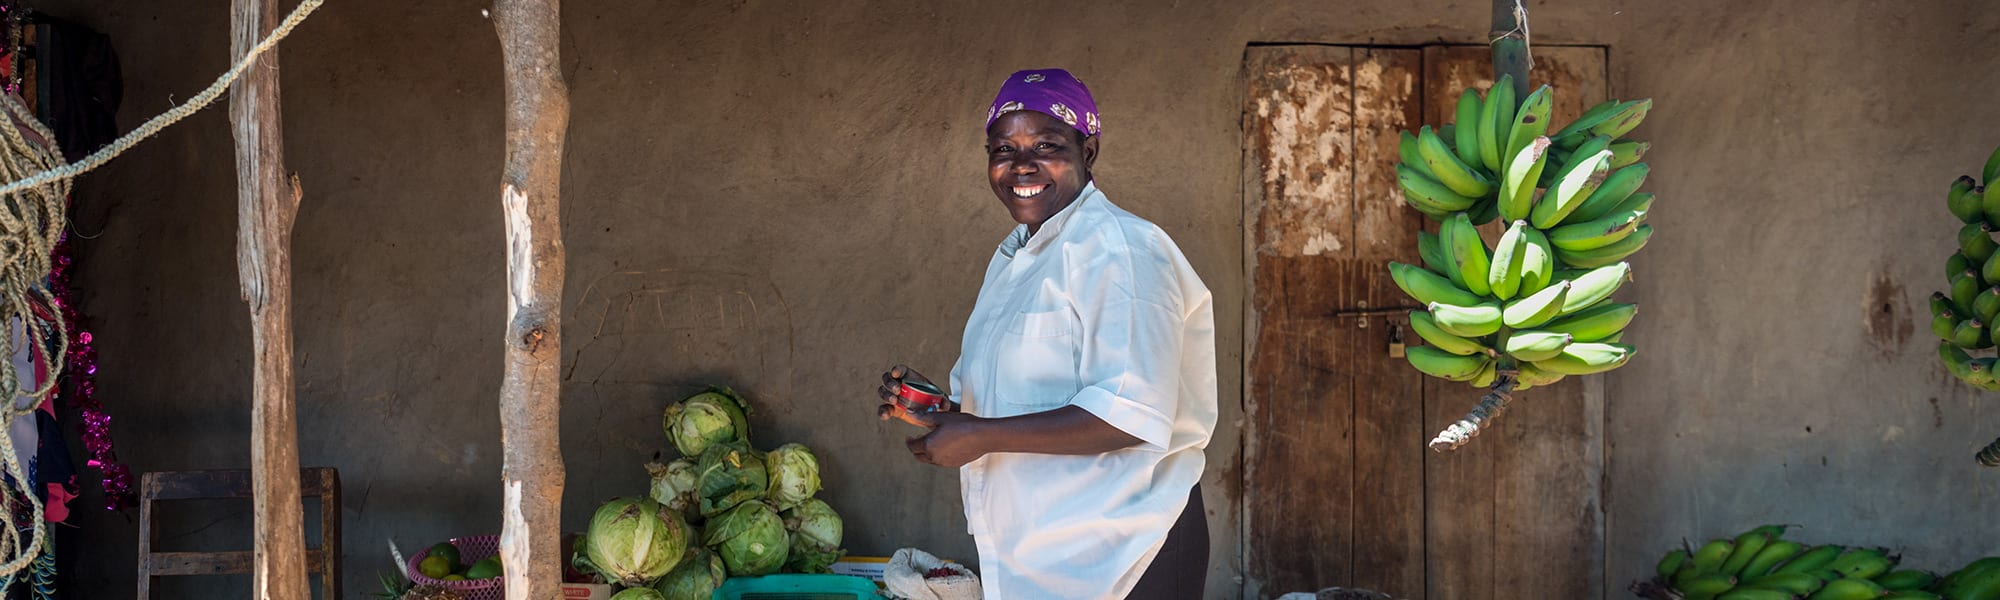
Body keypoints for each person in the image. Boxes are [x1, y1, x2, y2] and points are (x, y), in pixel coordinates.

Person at [877, 68, 1218, 600]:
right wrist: (947, 411)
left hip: (1127, 553)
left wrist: (980, 436)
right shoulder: (1017, 258)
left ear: (1090, 151)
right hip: (1048, 554)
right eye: (1003, 149)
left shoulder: (1120, 249)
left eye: (1047, 145)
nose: (1021, 166)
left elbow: (1130, 413)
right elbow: (1033, 396)